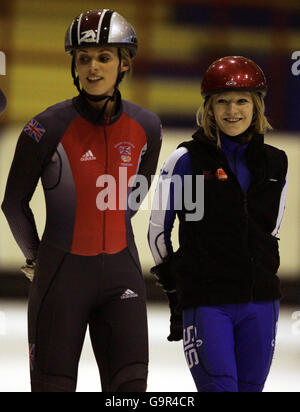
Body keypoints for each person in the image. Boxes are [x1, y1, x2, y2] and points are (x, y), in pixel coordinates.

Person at [2, 8, 162, 392]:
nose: (93, 67)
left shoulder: (147, 126)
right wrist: (38, 260)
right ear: (74, 64)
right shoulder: (45, 127)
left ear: (123, 64)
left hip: (122, 278)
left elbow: (134, 194)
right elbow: (13, 203)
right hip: (60, 280)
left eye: (104, 57)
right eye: (84, 57)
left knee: (129, 392)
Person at [148, 56, 288, 392]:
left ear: (257, 106)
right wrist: (175, 286)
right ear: (209, 108)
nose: (232, 110)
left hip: (262, 304)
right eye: (222, 101)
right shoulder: (187, 160)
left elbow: (271, 231)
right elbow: (158, 233)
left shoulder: (275, 162)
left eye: (242, 100)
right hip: (208, 304)